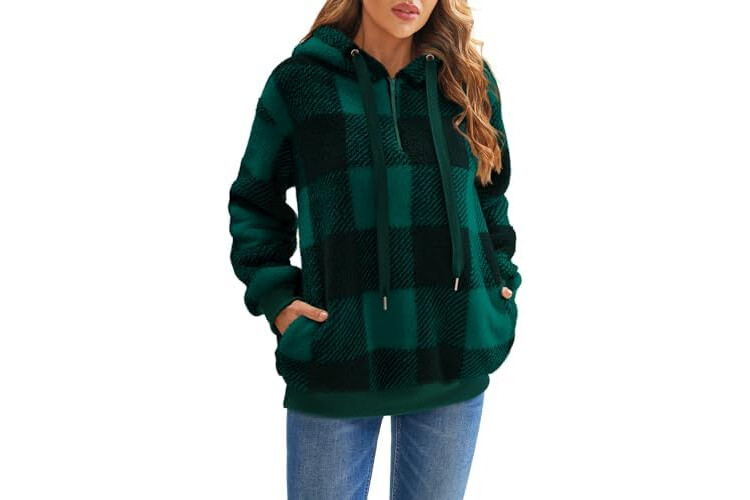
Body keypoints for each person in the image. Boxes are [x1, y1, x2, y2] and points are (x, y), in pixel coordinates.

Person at [227, 0, 522, 497]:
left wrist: (500, 283)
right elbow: (255, 202)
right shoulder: (300, 85)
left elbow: (490, 197)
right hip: (338, 357)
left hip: (454, 352)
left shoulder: (468, 80)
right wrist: (277, 300)